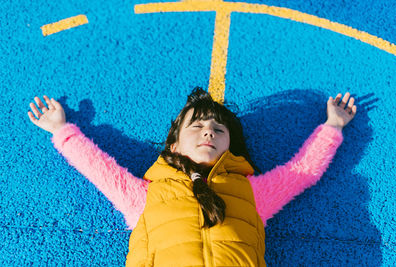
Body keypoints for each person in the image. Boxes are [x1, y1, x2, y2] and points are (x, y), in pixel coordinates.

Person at [28, 87, 356, 266]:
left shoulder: (251, 192)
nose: (208, 133)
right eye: (196, 126)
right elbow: (99, 169)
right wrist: (62, 130)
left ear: (230, 144)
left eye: (218, 129)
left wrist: (333, 126)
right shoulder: (148, 194)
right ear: (175, 144)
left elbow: (301, 172)